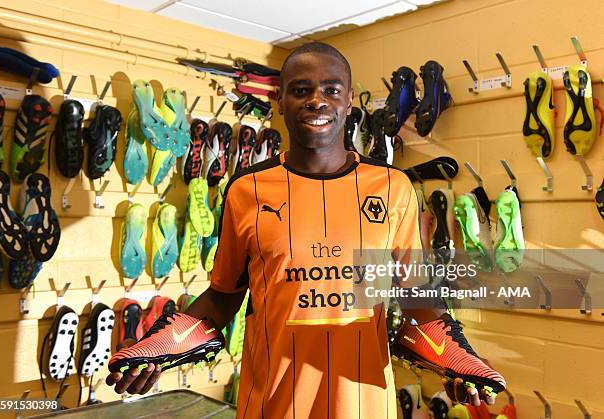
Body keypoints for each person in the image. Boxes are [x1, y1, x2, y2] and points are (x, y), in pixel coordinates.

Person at [107, 42, 503, 418]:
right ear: (280, 100)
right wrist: (158, 348)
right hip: (272, 405)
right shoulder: (247, 189)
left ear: (349, 101)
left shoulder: (392, 187)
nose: (318, 99)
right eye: (301, 89)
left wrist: (456, 356)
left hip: (364, 405)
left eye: (331, 89)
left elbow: (416, 295)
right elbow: (223, 297)